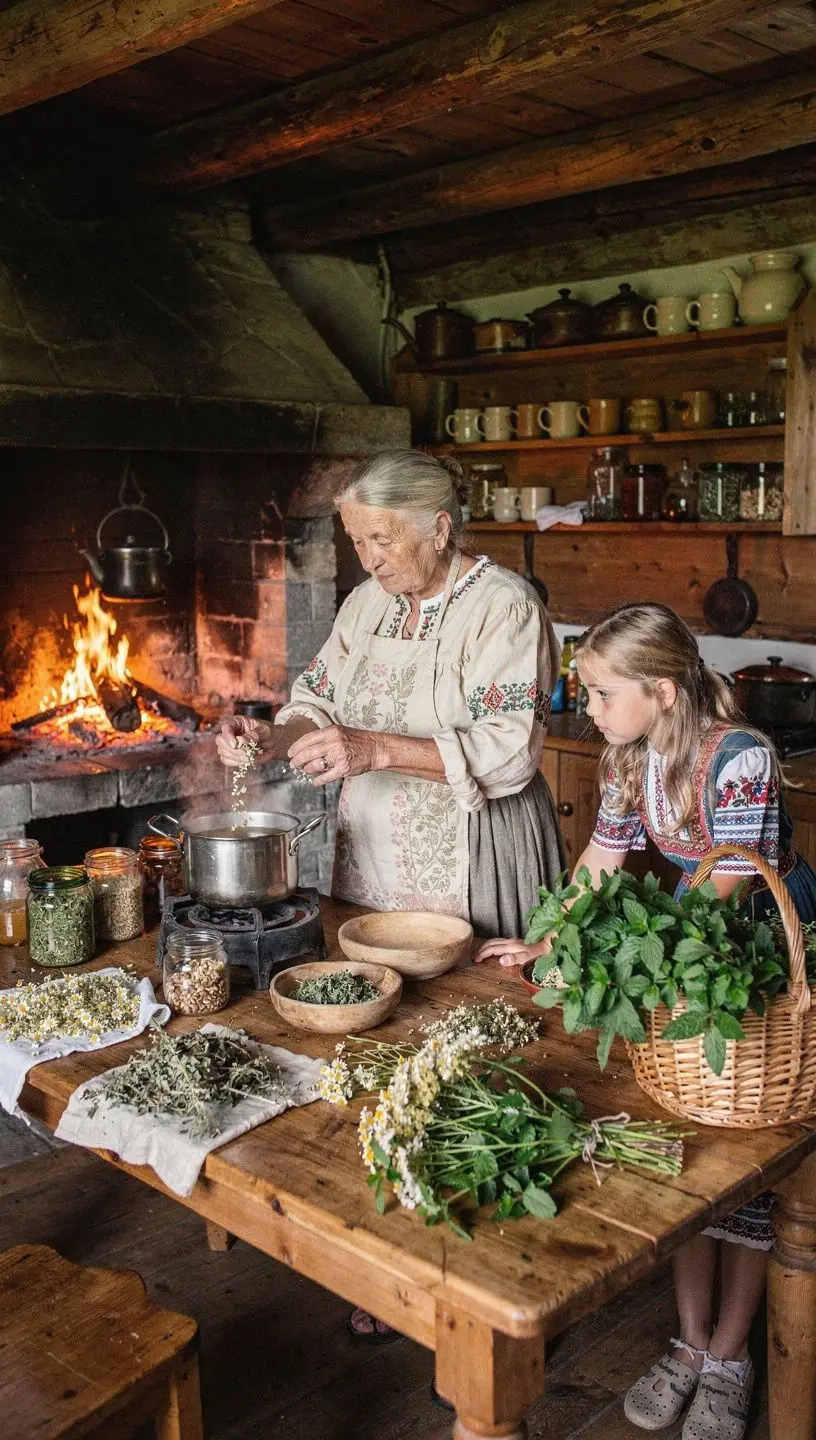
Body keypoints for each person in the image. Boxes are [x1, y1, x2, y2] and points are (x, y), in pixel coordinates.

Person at [218, 448, 567, 1343]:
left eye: (380, 539)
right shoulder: (369, 604)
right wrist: (268, 734)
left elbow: (509, 746)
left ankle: (503, 1268)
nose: (366, 558)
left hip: (469, 851)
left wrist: (372, 749)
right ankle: (386, 1243)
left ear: (440, 527)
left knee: (475, 1046)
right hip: (369, 856)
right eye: (356, 540)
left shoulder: (503, 606)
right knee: (376, 1045)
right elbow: (317, 697)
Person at [475, 601, 816, 1440]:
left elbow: (725, 887)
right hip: (686, 934)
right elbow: (601, 859)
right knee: (687, 1147)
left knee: (746, 1161)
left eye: (600, 693)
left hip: (755, 946)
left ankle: (731, 1357)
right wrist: (543, 940)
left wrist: (641, 955)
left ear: (663, 691)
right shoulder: (629, 755)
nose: (586, 709)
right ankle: (690, 1344)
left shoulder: (738, 757)